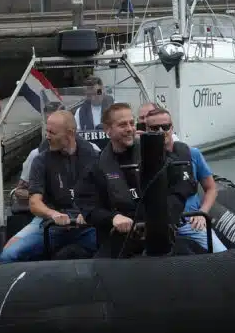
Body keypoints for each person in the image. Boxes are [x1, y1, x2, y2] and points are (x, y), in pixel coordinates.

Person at [75, 103, 202, 258]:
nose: (130, 129)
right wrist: (112, 218)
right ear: (108, 130)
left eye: (131, 123)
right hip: (119, 239)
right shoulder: (97, 167)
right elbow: (87, 204)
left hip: (160, 237)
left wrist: (163, 215)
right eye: (122, 125)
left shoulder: (157, 156)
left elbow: (182, 185)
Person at [0, 111, 98, 262]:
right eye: (47, 131)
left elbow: (103, 194)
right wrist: (53, 214)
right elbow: (34, 203)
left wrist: (89, 213)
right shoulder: (40, 160)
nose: (47, 136)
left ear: (70, 133)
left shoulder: (94, 155)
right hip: (50, 222)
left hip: (88, 223)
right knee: (8, 255)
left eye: (52, 133)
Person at [144, 106, 227, 253]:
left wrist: (203, 213)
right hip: (158, 227)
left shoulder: (192, 154)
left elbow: (211, 188)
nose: (161, 131)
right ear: (147, 130)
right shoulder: (142, 158)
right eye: (155, 128)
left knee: (221, 253)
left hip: (191, 223)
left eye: (165, 127)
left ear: (172, 128)